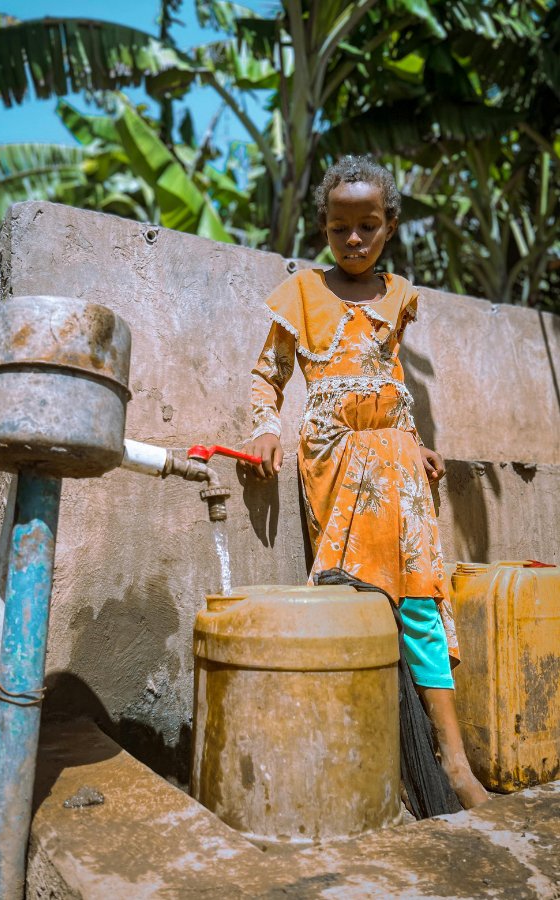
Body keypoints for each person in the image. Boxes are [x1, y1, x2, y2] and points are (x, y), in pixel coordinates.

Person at [242, 155, 488, 809]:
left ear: (390, 226)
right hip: (338, 465)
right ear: (322, 226)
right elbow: (268, 375)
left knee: (419, 607)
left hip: (401, 466)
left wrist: (414, 439)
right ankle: (367, 765)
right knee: (355, 602)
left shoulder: (400, 295)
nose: (355, 240)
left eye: (369, 227)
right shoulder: (299, 294)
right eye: (341, 228)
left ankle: (455, 764)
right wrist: (265, 429)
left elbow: (390, 379)